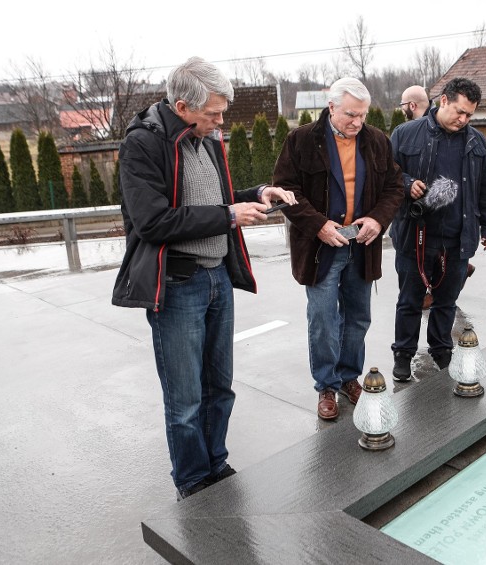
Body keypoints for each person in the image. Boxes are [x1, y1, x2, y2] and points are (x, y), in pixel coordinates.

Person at [111, 57, 297, 500]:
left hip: (216, 278)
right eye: (213, 113)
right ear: (181, 106)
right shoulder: (143, 145)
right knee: (185, 399)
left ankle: (216, 463)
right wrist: (229, 215)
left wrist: (255, 196)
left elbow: (216, 200)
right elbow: (153, 221)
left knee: (219, 388)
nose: (220, 121)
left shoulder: (205, 138)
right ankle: (193, 481)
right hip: (178, 285)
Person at [272, 77, 403, 420]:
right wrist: (318, 225)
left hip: (361, 245)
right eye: (350, 115)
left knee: (358, 317)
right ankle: (326, 386)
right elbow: (284, 191)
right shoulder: (301, 141)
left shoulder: (376, 141)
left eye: (362, 115)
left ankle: (349, 377)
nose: (358, 123)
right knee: (323, 320)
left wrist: (377, 219)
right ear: (330, 108)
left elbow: (394, 187)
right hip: (321, 248)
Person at [389, 77, 486, 381]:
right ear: (444, 100)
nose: (463, 120)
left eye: (469, 116)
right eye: (459, 112)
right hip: (415, 234)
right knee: (410, 301)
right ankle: (403, 354)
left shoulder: (476, 141)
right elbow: (386, 174)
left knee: (446, 302)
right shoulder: (405, 134)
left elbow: (485, 187)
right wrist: (408, 184)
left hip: (458, 237)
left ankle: (441, 350)